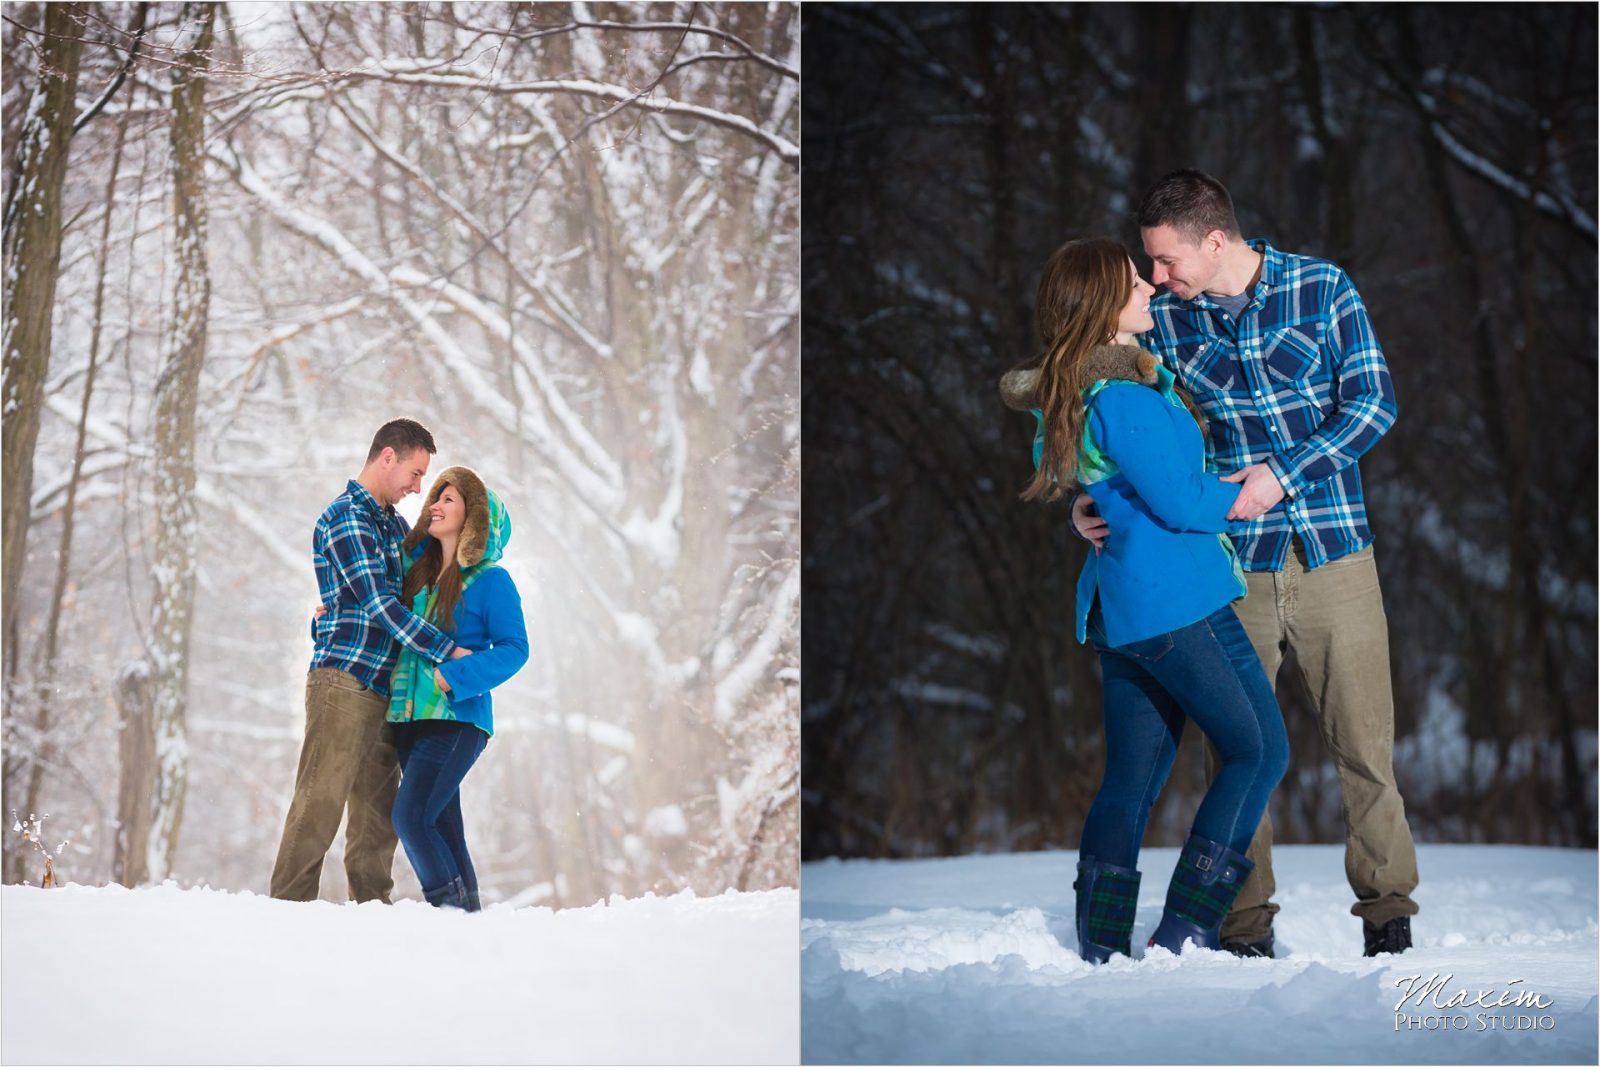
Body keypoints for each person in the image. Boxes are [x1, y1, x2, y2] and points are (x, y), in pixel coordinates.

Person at [1073, 169, 1418, 958]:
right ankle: (1242, 923)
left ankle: (1388, 911)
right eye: (1150, 268)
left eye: (1165, 262)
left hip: (1335, 552)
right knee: (1237, 745)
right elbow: (1104, 401)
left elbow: (1372, 403)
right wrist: (1083, 495)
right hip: (1232, 563)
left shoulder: (1322, 289)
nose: (1157, 280)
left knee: (1365, 746)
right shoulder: (1168, 323)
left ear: (1216, 240)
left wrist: (1281, 476)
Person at [1001, 237, 1290, 962]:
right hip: (1174, 604)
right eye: (1135, 283)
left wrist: (1087, 508)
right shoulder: (1125, 396)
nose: (1150, 290)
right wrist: (1251, 490)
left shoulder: (1092, 388)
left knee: (1132, 778)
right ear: (1102, 303)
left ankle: (1100, 942)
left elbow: (1098, 480)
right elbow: (1180, 497)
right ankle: (1185, 929)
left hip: (1128, 609)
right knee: (1259, 751)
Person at [271, 418, 472, 903]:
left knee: (377, 817)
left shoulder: (392, 524)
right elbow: (381, 605)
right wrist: (447, 650)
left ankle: (372, 916)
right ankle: (286, 912)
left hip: (385, 689)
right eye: (416, 473)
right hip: (344, 682)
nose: (418, 487)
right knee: (320, 801)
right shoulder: (346, 517)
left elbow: (414, 586)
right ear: (388, 457)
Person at [387, 465, 528, 911]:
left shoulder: (491, 581)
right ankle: (468, 919)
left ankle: (445, 912)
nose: (436, 505)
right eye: (436, 496)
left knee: (410, 818)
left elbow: (514, 649)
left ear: (475, 520)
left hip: (456, 718)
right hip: (409, 719)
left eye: (450, 499)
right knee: (442, 823)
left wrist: (457, 676)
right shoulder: (416, 575)